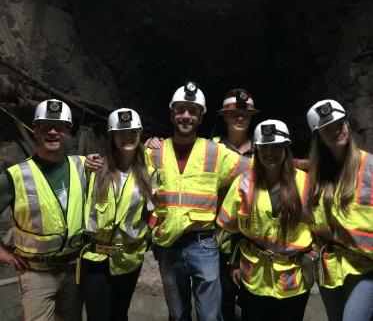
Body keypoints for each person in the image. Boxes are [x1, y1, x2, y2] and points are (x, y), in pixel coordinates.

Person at [146, 82, 250, 321]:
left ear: (201, 117)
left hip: (203, 243)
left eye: (193, 111)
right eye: (181, 110)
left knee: (210, 316)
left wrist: (303, 164)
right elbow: (136, 186)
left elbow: (259, 168)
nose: (186, 116)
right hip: (168, 245)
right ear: (172, 114)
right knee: (178, 314)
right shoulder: (154, 153)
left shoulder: (215, 152)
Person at [217, 119, 314, 321]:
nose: (270, 153)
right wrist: (233, 264)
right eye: (264, 148)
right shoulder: (243, 183)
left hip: (293, 281)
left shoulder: (304, 183)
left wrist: (313, 255)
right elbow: (233, 229)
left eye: (276, 147)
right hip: (255, 278)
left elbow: (320, 226)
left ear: (286, 149)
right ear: (257, 151)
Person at [0, 99, 86, 321]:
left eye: (59, 126)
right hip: (36, 273)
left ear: (68, 132)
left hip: (72, 270)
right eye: (45, 126)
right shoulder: (16, 176)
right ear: (35, 130)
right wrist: (3, 253)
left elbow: (120, 164)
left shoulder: (82, 166)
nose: (53, 132)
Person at [80, 108, 153, 321]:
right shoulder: (95, 168)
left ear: (140, 135)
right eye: (121, 133)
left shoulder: (149, 171)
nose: (127, 137)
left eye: (132, 132)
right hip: (95, 257)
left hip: (129, 259)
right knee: (98, 316)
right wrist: (84, 163)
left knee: (120, 314)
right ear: (112, 136)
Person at [306, 99, 373, 321]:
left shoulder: (370, 167)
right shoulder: (316, 175)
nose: (337, 131)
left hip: (365, 267)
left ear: (348, 124)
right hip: (330, 266)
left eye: (340, 124)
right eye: (327, 129)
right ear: (318, 137)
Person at [213, 88, 257, 321]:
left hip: (254, 235)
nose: (240, 118)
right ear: (224, 116)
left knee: (253, 300)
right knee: (223, 297)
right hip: (219, 235)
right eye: (233, 114)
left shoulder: (266, 149)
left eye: (245, 114)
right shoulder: (212, 147)